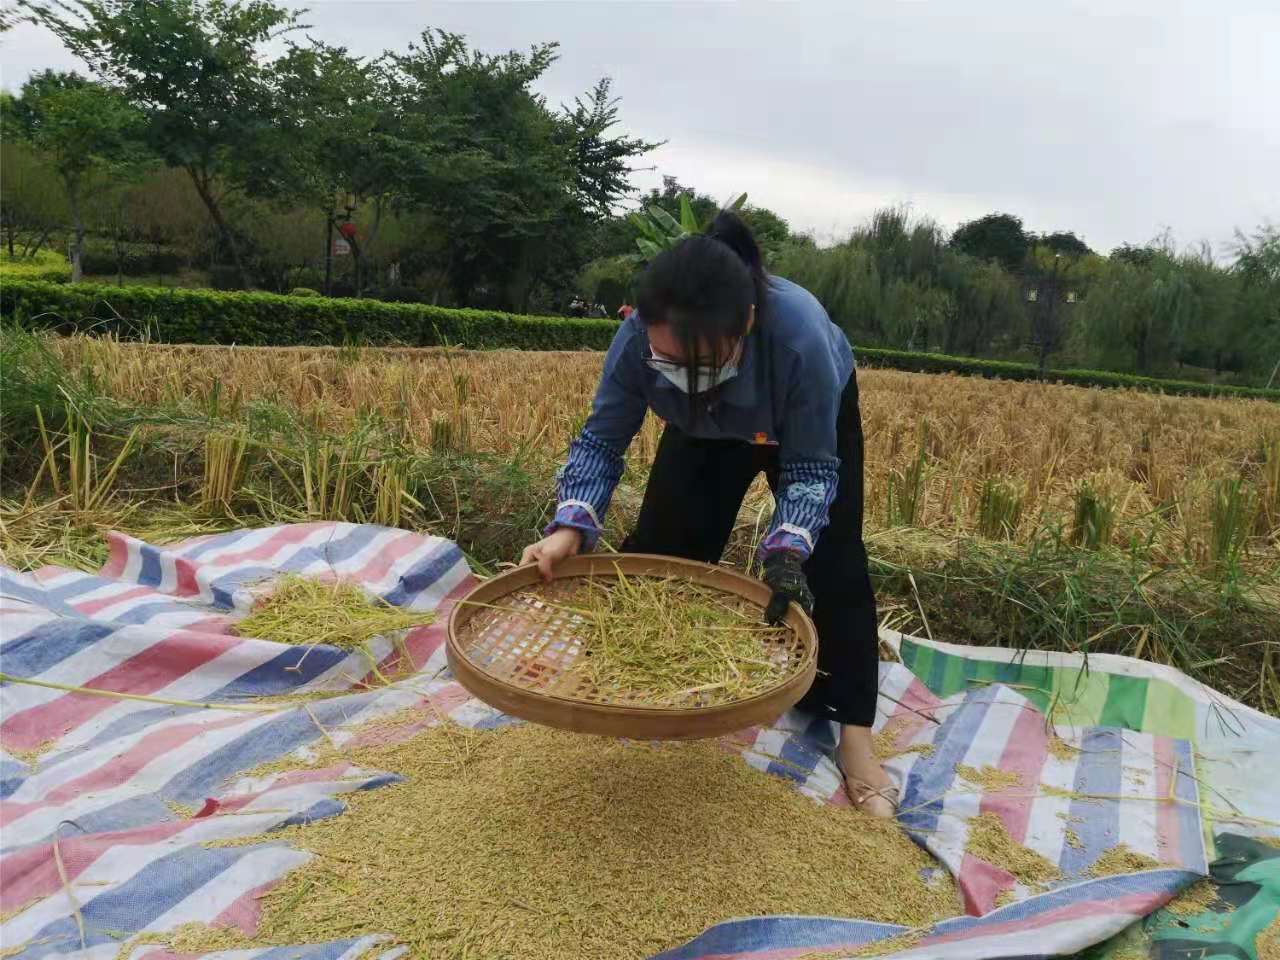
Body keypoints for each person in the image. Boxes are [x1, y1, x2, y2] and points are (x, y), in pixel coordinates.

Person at [520, 211, 894, 816]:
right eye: (667, 359)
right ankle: (629, 676)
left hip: (799, 420)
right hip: (702, 429)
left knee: (833, 563)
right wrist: (569, 527)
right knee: (664, 545)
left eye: (698, 363)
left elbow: (810, 470)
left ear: (744, 324)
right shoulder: (639, 339)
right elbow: (601, 441)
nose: (683, 376)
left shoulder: (798, 339)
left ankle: (853, 731)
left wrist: (788, 551)